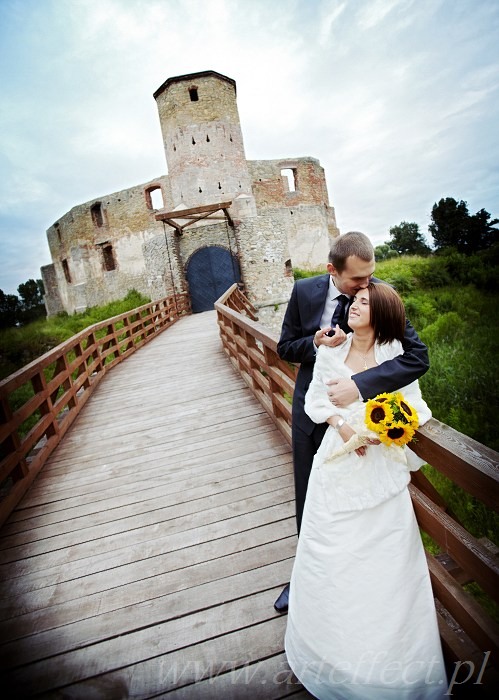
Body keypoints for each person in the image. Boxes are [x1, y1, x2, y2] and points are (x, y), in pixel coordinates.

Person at [285, 282, 447, 698]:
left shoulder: (395, 356)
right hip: (335, 466)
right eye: (354, 299)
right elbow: (315, 401)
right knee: (333, 557)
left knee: (386, 564)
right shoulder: (331, 350)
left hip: (379, 472)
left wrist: (386, 427)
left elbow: (417, 408)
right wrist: (342, 426)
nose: (354, 305)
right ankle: (333, 656)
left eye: (364, 302)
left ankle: (394, 664)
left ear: (381, 314)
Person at [273, 231, 429, 613]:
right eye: (357, 281)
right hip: (315, 406)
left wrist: (358, 387)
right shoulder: (305, 292)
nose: (366, 285)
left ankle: (366, 584)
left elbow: (416, 357)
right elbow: (284, 347)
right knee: (311, 491)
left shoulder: (376, 297)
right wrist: (316, 342)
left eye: (369, 276)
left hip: (362, 410)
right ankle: (306, 575)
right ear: (332, 270)